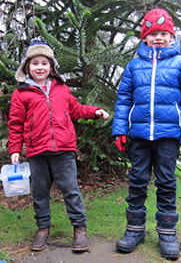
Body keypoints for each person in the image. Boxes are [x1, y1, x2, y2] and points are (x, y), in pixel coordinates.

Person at [112, 8, 181, 259]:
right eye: (153, 34)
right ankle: (134, 230)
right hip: (140, 134)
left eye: (164, 33)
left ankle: (167, 232)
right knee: (137, 180)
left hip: (168, 135)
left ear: (172, 36)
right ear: (145, 38)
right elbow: (123, 99)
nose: (159, 38)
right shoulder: (133, 66)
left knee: (165, 182)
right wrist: (120, 129)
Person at [8, 37, 109, 253]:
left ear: (51, 66)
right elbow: (15, 123)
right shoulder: (21, 93)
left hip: (63, 149)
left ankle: (80, 229)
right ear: (27, 67)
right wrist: (15, 149)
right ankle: (43, 228)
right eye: (35, 64)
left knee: (70, 190)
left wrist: (94, 111)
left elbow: (76, 109)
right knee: (41, 192)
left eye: (44, 63)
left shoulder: (61, 89)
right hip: (37, 151)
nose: (40, 68)